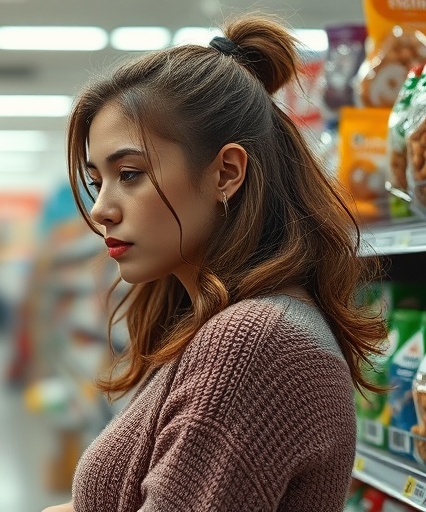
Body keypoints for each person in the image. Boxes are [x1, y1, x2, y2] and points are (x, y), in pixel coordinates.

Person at [43, 13, 386, 512]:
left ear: (226, 173)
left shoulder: (252, 343)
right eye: (98, 181)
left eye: (131, 173)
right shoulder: (229, 326)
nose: (100, 209)